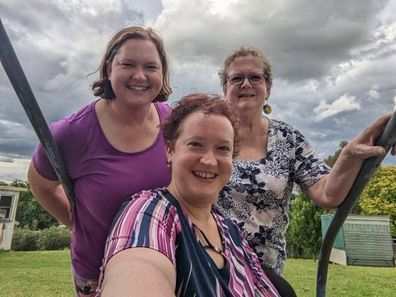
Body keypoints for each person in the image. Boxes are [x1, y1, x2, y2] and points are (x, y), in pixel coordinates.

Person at [216, 46, 396, 275]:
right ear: (225, 88)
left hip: (265, 270)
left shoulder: (288, 139)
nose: (246, 84)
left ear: (268, 88)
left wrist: (349, 154)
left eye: (255, 77)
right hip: (211, 261)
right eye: (237, 78)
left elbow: (327, 193)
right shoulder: (209, 134)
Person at [95, 94, 296, 297]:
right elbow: (137, 269)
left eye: (222, 149)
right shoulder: (148, 213)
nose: (209, 161)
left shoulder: (231, 231)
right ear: (170, 150)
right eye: (196, 144)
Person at [27, 26, 172, 296]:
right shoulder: (71, 132)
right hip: (97, 272)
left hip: (166, 267)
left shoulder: (174, 123)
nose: (140, 76)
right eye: (127, 64)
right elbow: (40, 186)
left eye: (151, 66)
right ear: (108, 69)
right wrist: (78, 223)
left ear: (162, 73)